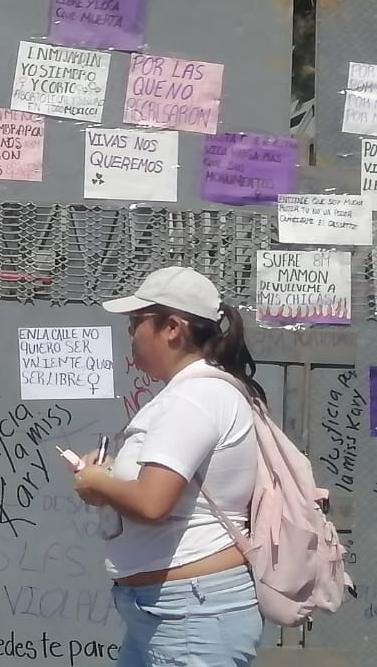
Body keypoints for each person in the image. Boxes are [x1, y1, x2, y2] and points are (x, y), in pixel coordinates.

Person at [68, 266, 264, 667]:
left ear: (172, 328)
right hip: (171, 612)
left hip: (189, 615)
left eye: (136, 322)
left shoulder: (193, 397)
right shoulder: (198, 391)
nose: (130, 335)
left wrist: (97, 484)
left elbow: (153, 502)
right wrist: (105, 478)